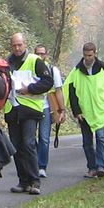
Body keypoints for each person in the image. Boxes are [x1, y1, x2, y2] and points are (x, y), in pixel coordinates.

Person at [3, 33, 53, 196]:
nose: (17, 48)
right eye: (14, 45)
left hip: (31, 109)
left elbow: (48, 82)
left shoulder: (35, 61)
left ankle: (34, 181)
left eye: (20, 45)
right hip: (13, 109)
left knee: (28, 143)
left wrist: (30, 89)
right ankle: (23, 181)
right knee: (16, 146)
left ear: (25, 44)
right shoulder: (7, 62)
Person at [66, 42, 104, 178]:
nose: (87, 58)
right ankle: (92, 167)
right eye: (85, 55)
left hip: (100, 111)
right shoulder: (76, 71)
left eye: (90, 55)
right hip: (84, 112)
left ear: (95, 53)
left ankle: (101, 166)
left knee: (101, 138)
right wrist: (76, 112)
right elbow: (72, 92)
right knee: (87, 142)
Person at [33, 44, 66, 178]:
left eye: (42, 54)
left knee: (44, 138)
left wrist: (62, 110)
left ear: (46, 55)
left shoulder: (53, 70)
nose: (40, 56)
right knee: (30, 138)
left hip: (47, 108)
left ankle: (41, 166)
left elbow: (58, 91)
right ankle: (33, 163)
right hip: (31, 107)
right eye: (38, 54)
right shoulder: (30, 67)